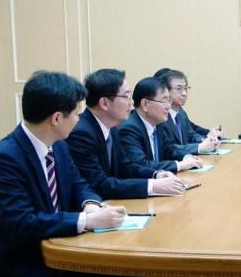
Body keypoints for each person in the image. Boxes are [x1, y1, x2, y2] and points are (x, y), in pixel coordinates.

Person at [0, 71, 126, 277]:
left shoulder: (58, 146)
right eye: (77, 113)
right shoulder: (6, 157)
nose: (79, 120)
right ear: (57, 118)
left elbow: (79, 184)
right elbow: (22, 223)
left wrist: (90, 205)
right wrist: (87, 220)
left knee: (124, 273)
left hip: (53, 250)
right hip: (16, 266)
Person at [66, 69, 185, 199]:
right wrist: (152, 186)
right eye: (126, 96)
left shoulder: (111, 127)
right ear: (104, 103)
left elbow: (125, 166)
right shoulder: (81, 133)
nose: (132, 102)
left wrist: (157, 174)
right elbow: (99, 183)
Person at [118, 77, 203, 173]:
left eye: (169, 101)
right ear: (145, 104)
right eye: (164, 101)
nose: (168, 106)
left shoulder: (157, 124)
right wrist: (179, 165)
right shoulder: (129, 128)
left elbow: (169, 149)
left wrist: (187, 157)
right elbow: (141, 164)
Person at [154, 68, 221, 160]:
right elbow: (169, 149)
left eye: (185, 88)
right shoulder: (160, 116)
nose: (184, 93)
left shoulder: (180, 112)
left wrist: (206, 140)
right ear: (166, 91)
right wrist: (200, 147)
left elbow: (191, 134)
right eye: (179, 89)